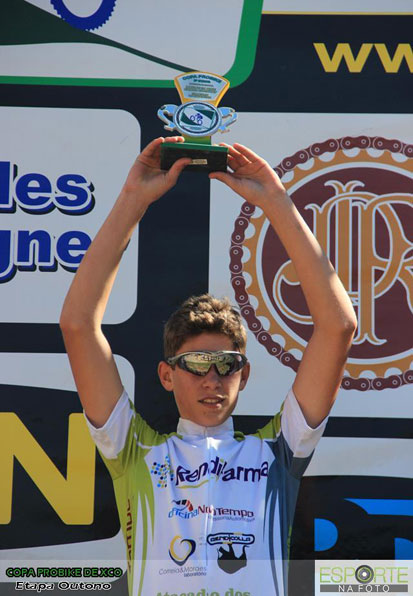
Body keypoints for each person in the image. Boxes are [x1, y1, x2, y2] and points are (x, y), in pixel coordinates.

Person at [60, 136, 357, 596]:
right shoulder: (134, 450)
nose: (212, 378)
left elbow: (338, 327)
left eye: (227, 364)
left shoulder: (279, 450)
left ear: (245, 374)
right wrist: (133, 200)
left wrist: (275, 201)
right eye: (197, 363)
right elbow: (78, 326)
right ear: (167, 375)